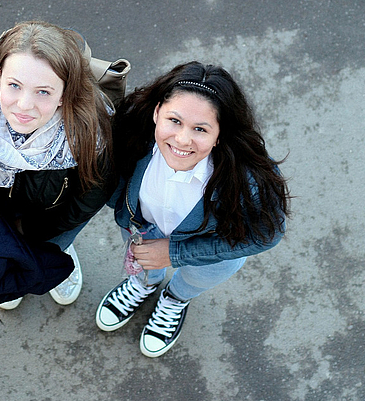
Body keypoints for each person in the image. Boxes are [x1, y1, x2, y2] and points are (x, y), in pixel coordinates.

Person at [95, 61, 291, 357]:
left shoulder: (245, 177)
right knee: (145, 265)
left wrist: (174, 253)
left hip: (212, 252)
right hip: (143, 230)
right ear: (157, 112)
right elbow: (110, 184)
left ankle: (175, 299)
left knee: (193, 279)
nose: (183, 140)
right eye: (174, 120)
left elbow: (267, 234)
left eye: (200, 129)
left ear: (220, 134)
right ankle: (142, 283)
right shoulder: (132, 137)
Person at [0, 21, 117, 308]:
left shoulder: (90, 134)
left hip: (50, 218)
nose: (24, 105)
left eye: (44, 92)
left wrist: (39, 238)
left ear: (65, 93)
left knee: (43, 256)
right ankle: (6, 266)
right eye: (14, 85)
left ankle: (56, 251)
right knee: (5, 280)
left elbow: (88, 200)